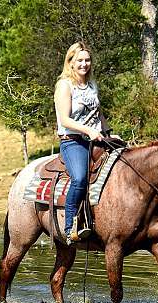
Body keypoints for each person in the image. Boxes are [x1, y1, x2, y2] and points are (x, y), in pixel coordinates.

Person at [54, 42, 109, 245]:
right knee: (79, 177)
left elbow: (98, 113)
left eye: (87, 60)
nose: (84, 64)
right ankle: (69, 228)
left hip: (96, 138)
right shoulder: (64, 86)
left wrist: (109, 134)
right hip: (73, 141)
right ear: (70, 62)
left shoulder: (92, 84)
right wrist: (89, 131)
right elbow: (65, 119)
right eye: (80, 60)